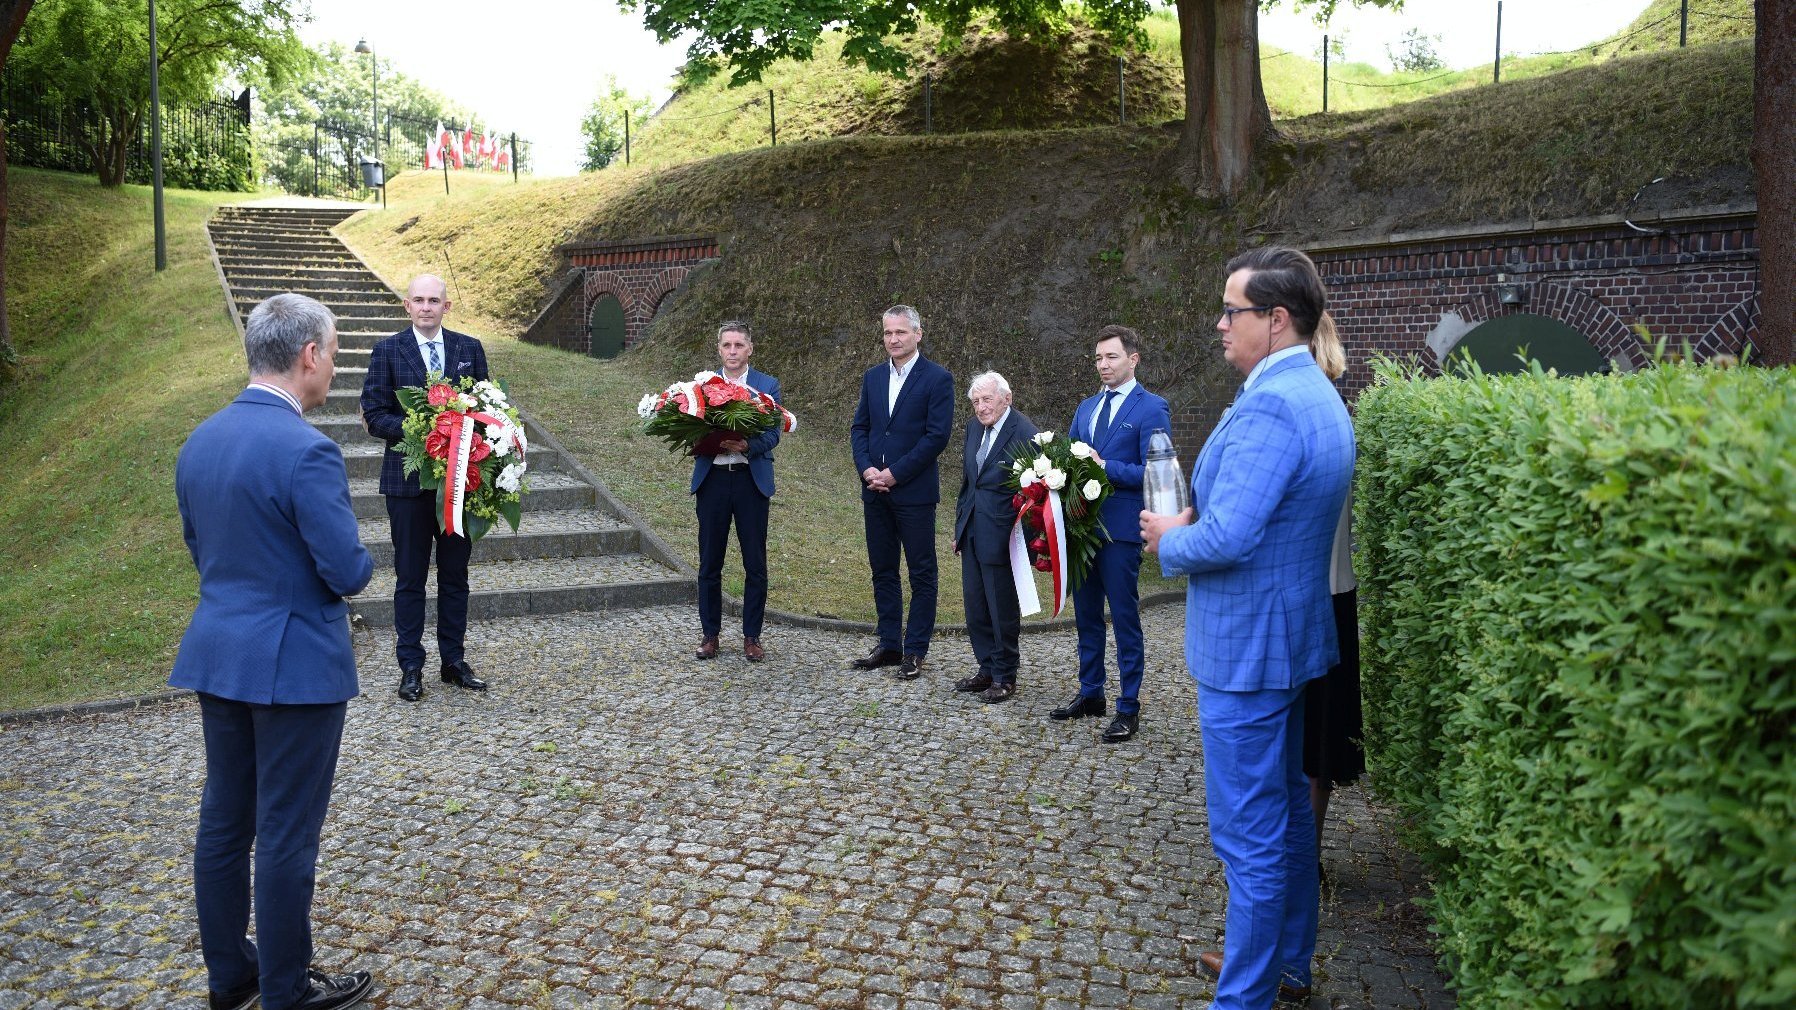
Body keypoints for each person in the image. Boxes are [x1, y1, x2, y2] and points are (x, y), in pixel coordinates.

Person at [1141, 246, 1355, 1010]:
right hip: (1293, 638)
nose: (1220, 323)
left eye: (1232, 310)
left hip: (1249, 651)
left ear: (1276, 319)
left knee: (1249, 836)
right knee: (1291, 813)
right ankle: (1289, 964)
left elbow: (1228, 538)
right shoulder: (1316, 391)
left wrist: (1170, 538)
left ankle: (1245, 998)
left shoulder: (1272, 403)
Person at [171, 293, 377, 1010]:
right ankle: (287, 990)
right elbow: (345, 571)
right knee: (287, 834)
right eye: (336, 351)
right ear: (309, 356)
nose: (333, 365)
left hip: (220, 651)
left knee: (225, 823)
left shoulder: (200, 439)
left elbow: (203, 550)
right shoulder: (307, 449)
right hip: (294, 665)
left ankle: (231, 975)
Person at [360, 274, 491, 703]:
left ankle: (453, 660)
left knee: (456, 575)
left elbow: (488, 408)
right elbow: (375, 413)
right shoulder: (387, 350)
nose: (426, 307)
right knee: (410, 577)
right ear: (406, 305)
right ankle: (410, 666)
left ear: (446, 306)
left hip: (459, 484)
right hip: (407, 481)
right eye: (418, 300)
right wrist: (425, 430)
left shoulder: (469, 349)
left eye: (434, 300)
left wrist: (466, 441)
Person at [1054, 325, 1172, 743]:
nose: (1103, 365)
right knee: (1085, 615)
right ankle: (1091, 694)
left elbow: (1156, 473)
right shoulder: (1085, 408)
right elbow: (1067, 459)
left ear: (1133, 359)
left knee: (1123, 618)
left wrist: (1106, 468)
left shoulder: (1151, 408)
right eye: (1099, 358)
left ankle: (1129, 706)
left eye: (1111, 357)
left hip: (1121, 530)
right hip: (1082, 528)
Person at [848, 304, 955, 679]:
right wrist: (867, 470)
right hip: (874, 490)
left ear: (918, 334)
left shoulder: (937, 379)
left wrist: (895, 474)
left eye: (901, 333)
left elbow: (936, 437)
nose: (893, 339)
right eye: (888, 333)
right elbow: (860, 428)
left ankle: (915, 650)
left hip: (914, 493)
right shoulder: (873, 377)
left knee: (921, 572)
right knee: (883, 569)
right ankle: (890, 643)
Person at [1305, 316, 1365, 859]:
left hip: (1309, 595)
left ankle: (1299, 857)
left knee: (1308, 739)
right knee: (1316, 741)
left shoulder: (1306, 414)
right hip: (1333, 592)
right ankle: (1308, 853)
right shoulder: (1334, 411)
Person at [691, 321, 782, 662]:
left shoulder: (767, 386)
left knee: (755, 563)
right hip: (713, 480)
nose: (732, 351)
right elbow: (690, 427)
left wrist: (749, 444)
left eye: (739, 345)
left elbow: (774, 433)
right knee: (709, 562)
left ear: (750, 349)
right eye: (727, 345)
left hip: (749, 481)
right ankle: (710, 635)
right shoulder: (701, 385)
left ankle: (752, 636)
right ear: (719, 349)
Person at [950, 372, 1038, 703]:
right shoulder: (974, 428)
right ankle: (986, 667)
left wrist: (1026, 540)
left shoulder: (1026, 433)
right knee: (976, 605)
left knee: (1001, 607)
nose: (981, 408)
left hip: (1004, 535)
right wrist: (959, 527)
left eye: (987, 400)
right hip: (972, 530)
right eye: (975, 402)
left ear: (1006, 398)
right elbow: (968, 483)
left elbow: (1035, 493)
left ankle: (1005, 675)